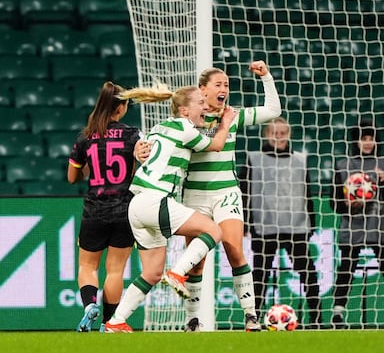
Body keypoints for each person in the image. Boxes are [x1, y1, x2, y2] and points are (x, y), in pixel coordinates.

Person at [103, 83, 237, 333]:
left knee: (152, 273)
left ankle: (115, 321)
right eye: (200, 102)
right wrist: (226, 121)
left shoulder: (159, 128)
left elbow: (146, 154)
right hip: (156, 199)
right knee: (213, 231)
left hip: (137, 204)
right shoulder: (185, 128)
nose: (205, 106)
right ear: (185, 111)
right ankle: (178, 273)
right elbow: (216, 145)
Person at [180, 60, 282, 332]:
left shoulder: (233, 115)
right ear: (203, 89)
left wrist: (266, 77)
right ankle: (192, 319)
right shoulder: (190, 119)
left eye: (226, 84)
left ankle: (250, 315)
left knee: (235, 249)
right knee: (196, 260)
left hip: (226, 193)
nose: (224, 88)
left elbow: (273, 110)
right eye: (218, 84)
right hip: (195, 196)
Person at [68, 81, 151, 332]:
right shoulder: (133, 134)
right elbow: (139, 170)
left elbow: (73, 177)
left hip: (94, 209)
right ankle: (109, 322)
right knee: (115, 271)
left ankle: (89, 305)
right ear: (122, 107)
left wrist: (89, 168)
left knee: (87, 266)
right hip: (124, 209)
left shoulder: (86, 136)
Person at [238, 117, 322, 329]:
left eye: (283, 132)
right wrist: (245, 224)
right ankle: (253, 319)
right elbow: (244, 192)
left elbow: (307, 192)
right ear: (267, 134)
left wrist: (311, 223)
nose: (279, 136)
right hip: (264, 226)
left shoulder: (300, 160)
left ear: (289, 134)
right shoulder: (254, 158)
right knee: (260, 275)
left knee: (308, 273)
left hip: (295, 226)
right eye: (275, 132)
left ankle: (318, 318)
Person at [329, 120, 384, 329]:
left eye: (370, 138)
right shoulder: (343, 164)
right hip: (352, 225)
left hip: (380, 225)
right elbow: (333, 202)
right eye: (363, 139)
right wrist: (347, 203)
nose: (367, 143)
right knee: (346, 268)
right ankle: (337, 314)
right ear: (356, 141)